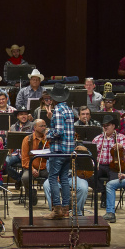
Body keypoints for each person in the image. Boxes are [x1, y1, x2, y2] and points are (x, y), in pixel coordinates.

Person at [44, 83, 76, 220]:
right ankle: (66, 209)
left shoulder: (57, 110)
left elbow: (58, 131)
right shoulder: (69, 109)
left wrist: (48, 134)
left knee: (52, 178)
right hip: (68, 150)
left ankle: (57, 209)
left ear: (53, 98)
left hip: (58, 150)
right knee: (64, 179)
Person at [92, 115, 125, 203]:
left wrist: (121, 147)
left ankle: (106, 195)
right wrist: (93, 163)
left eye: (107, 125)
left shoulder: (121, 137)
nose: (105, 127)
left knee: (114, 181)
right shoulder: (97, 138)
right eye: (104, 125)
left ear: (113, 126)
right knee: (89, 176)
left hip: (114, 166)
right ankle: (103, 191)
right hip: (100, 165)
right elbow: (92, 153)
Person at [20, 118, 49, 204]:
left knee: (56, 176)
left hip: (45, 168)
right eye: (41, 126)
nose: (44, 128)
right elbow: (25, 158)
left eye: (45, 126)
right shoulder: (27, 139)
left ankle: (54, 201)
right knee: (25, 178)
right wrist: (32, 169)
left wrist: (48, 140)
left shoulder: (48, 139)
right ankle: (31, 195)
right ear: (35, 127)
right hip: (31, 167)